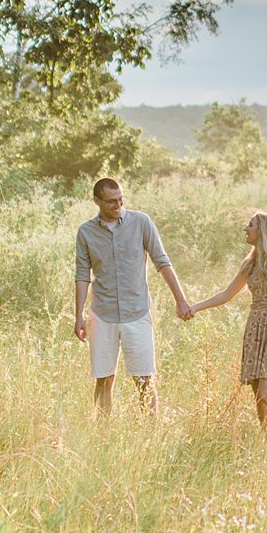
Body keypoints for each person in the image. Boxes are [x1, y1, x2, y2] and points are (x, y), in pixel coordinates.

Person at [74, 178, 193, 415]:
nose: (118, 205)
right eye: (111, 201)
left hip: (136, 312)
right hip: (103, 313)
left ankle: (149, 435)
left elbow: (162, 261)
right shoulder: (86, 232)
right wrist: (78, 316)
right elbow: (82, 275)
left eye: (120, 199)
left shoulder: (141, 222)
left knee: (144, 380)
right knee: (103, 378)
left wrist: (181, 300)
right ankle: (103, 432)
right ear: (97, 201)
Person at [189, 210, 267, 431]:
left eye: (250, 225)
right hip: (255, 326)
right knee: (259, 397)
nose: (246, 229)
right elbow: (227, 294)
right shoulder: (250, 262)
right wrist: (195, 307)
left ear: (264, 231)